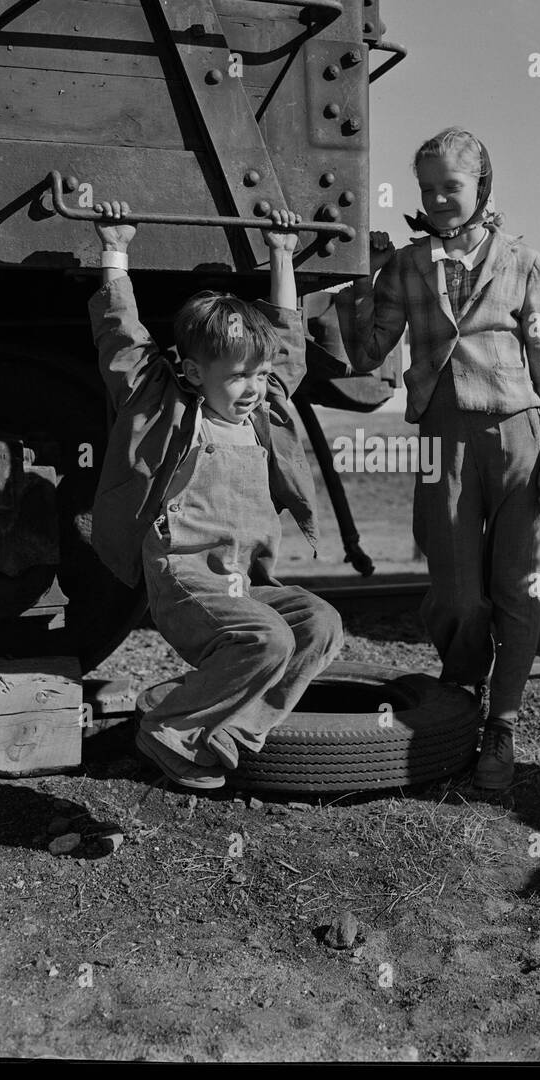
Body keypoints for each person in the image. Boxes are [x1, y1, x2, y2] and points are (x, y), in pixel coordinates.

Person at [334, 127, 540, 793]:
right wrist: (360, 277)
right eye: (427, 188)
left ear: (481, 188)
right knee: (456, 591)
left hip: (517, 436)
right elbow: (366, 353)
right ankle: (462, 685)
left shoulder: (522, 261)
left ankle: (500, 722)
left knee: (520, 590)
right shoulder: (408, 265)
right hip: (442, 440)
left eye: (452, 186)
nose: (439, 198)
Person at [87, 200, 343, 791]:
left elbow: (285, 342)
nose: (254, 388)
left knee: (319, 624)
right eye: (237, 377)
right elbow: (121, 339)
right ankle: (169, 728)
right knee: (269, 640)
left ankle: (234, 731)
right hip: (185, 579)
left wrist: (281, 253)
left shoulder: (262, 407)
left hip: (244, 582)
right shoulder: (164, 405)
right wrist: (115, 249)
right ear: (196, 374)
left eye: (259, 375)